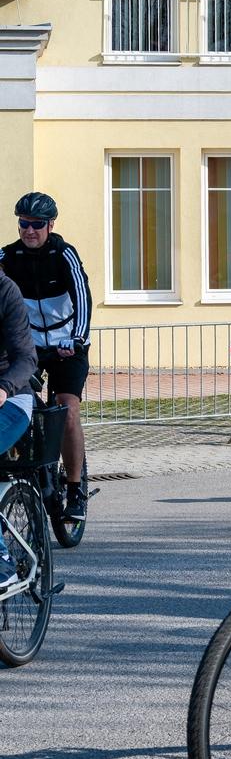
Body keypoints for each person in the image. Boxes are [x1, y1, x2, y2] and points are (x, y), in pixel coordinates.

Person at [1, 191, 92, 519]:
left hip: (68, 345)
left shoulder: (63, 254)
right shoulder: (8, 257)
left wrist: (78, 337)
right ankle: (32, 471)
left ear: (50, 225)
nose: (29, 230)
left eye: (36, 224)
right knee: (23, 407)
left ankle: (74, 487)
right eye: (23, 223)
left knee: (67, 411)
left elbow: (83, 298)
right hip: (28, 348)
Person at [0, 268, 38, 591]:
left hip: (13, 401)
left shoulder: (6, 292)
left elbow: (26, 358)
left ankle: (2, 565)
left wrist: (3, 387)